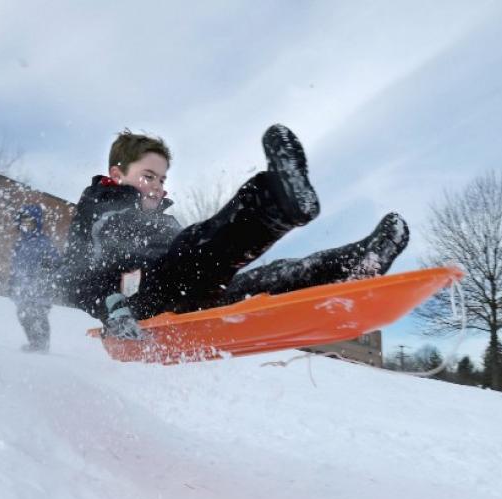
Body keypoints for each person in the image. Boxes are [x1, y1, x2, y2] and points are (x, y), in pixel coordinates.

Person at [59, 124, 410, 339]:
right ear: (118, 174)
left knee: (257, 283)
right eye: (148, 177)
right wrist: (112, 309)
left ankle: (350, 267)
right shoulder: (102, 203)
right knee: (193, 253)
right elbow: (81, 273)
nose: (156, 187)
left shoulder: (163, 221)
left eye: (162, 179)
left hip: (178, 299)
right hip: (135, 308)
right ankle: (277, 200)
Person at [9, 203, 61, 352]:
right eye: (23, 221)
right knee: (23, 313)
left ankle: (41, 344)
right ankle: (34, 343)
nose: (25, 225)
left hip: (41, 287)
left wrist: (48, 269)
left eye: (29, 221)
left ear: (36, 222)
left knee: (37, 314)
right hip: (24, 287)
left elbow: (56, 262)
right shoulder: (20, 243)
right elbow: (15, 265)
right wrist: (12, 282)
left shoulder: (44, 243)